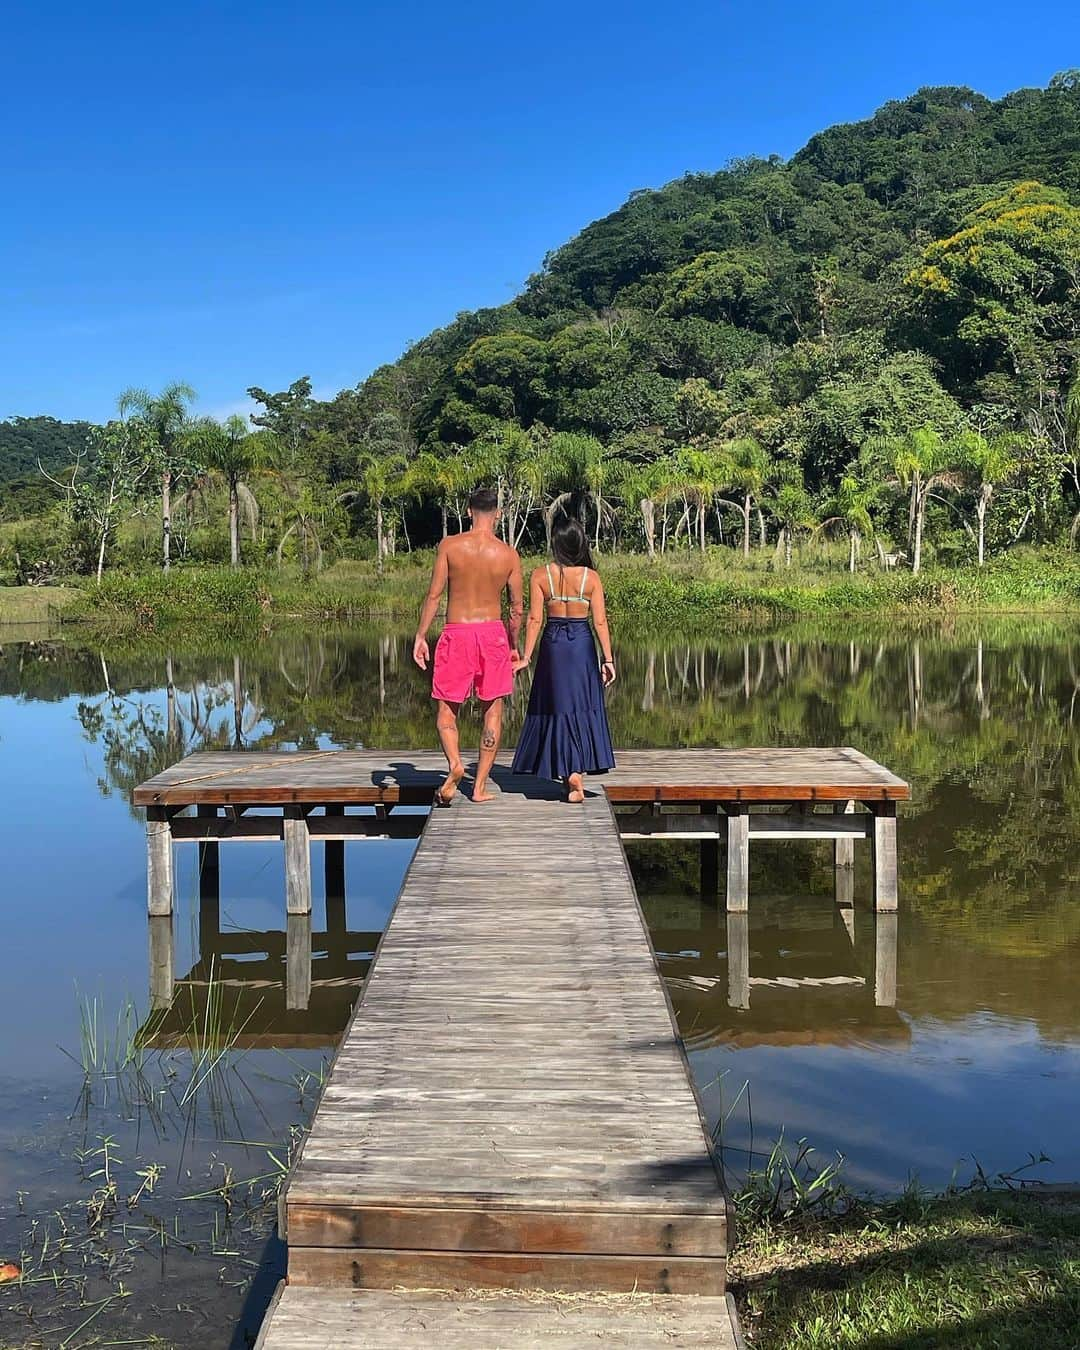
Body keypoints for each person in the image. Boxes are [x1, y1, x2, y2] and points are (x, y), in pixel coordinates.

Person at [413, 487, 523, 805]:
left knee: (447, 712)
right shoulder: (508, 555)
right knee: (493, 713)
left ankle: (456, 765)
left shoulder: (450, 546)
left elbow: (434, 595)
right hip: (493, 635)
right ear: (498, 514)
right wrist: (513, 644)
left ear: (468, 511)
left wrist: (421, 636)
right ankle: (479, 788)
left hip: (457, 632)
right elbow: (516, 608)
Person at [510, 516, 616, 802]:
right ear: (580, 543)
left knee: (557, 706)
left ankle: (566, 772)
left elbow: (534, 619)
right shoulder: (590, 578)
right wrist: (608, 659)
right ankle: (574, 773)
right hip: (581, 644)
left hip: (553, 644)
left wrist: (526, 656)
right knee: (580, 705)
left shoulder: (540, 575)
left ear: (555, 543)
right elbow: (601, 622)